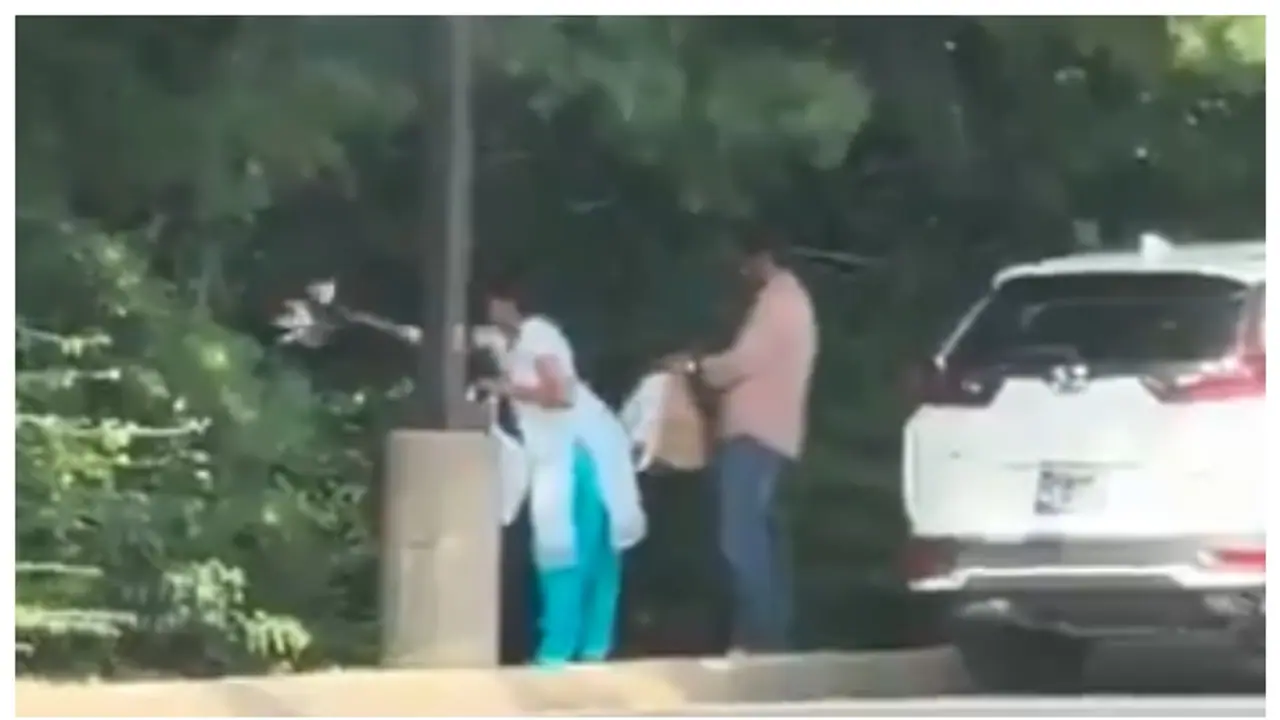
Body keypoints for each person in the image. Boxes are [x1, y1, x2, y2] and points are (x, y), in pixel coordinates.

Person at [481, 272, 646, 667]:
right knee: (585, 551)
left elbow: (561, 393)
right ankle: (587, 647)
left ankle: (560, 650)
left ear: (506, 303)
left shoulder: (537, 333)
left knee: (569, 548)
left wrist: (507, 390)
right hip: (571, 451)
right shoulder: (514, 343)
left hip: (577, 452)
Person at [666, 228, 818, 654]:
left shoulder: (779, 300)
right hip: (773, 435)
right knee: (763, 538)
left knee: (741, 537)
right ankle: (771, 632)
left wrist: (698, 368)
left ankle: (759, 635)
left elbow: (745, 361)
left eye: (745, 261)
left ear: (761, 258)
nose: (741, 271)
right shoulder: (791, 300)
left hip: (757, 434)